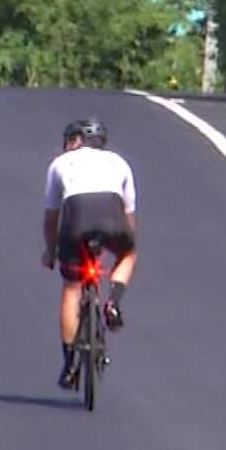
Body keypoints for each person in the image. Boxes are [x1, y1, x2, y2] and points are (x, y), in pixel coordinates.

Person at [41, 117, 138, 390]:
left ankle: (71, 364)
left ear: (74, 141)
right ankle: (113, 303)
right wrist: (127, 244)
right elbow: (129, 215)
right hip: (112, 215)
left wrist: (51, 252)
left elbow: (51, 217)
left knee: (72, 288)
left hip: (76, 217)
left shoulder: (60, 163)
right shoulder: (119, 162)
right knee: (128, 255)